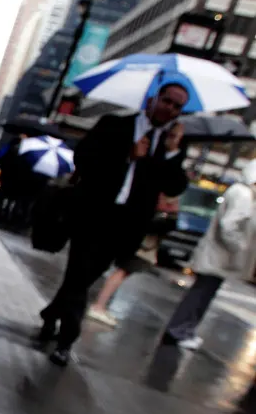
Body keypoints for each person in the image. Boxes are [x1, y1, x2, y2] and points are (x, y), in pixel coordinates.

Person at [38, 82, 190, 365]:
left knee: (83, 278)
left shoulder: (172, 145)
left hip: (125, 226)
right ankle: (66, 341)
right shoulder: (114, 125)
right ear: (153, 99)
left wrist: (169, 153)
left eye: (177, 106)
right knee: (80, 274)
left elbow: (174, 185)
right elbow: (83, 159)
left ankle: (51, 314)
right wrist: (127, 157)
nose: (170, 109)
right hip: (92, 214)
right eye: (167, 101)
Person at [162, 161, 256, 349]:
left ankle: (184, 330)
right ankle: (179, 330)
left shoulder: (243, 192)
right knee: (201, 294)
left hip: (218, 256)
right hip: (219, 256)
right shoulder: (243, 194)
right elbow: (229, 226)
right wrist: (241, 247)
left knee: (203, 294)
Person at [85, 192, 179, 327]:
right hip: (142, 241)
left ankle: (99, 305)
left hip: (142, 237)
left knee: (122, 271)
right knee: (122, 271)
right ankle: (98, 305)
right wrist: (170, 210)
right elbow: (166, 210)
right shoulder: (163, 192)